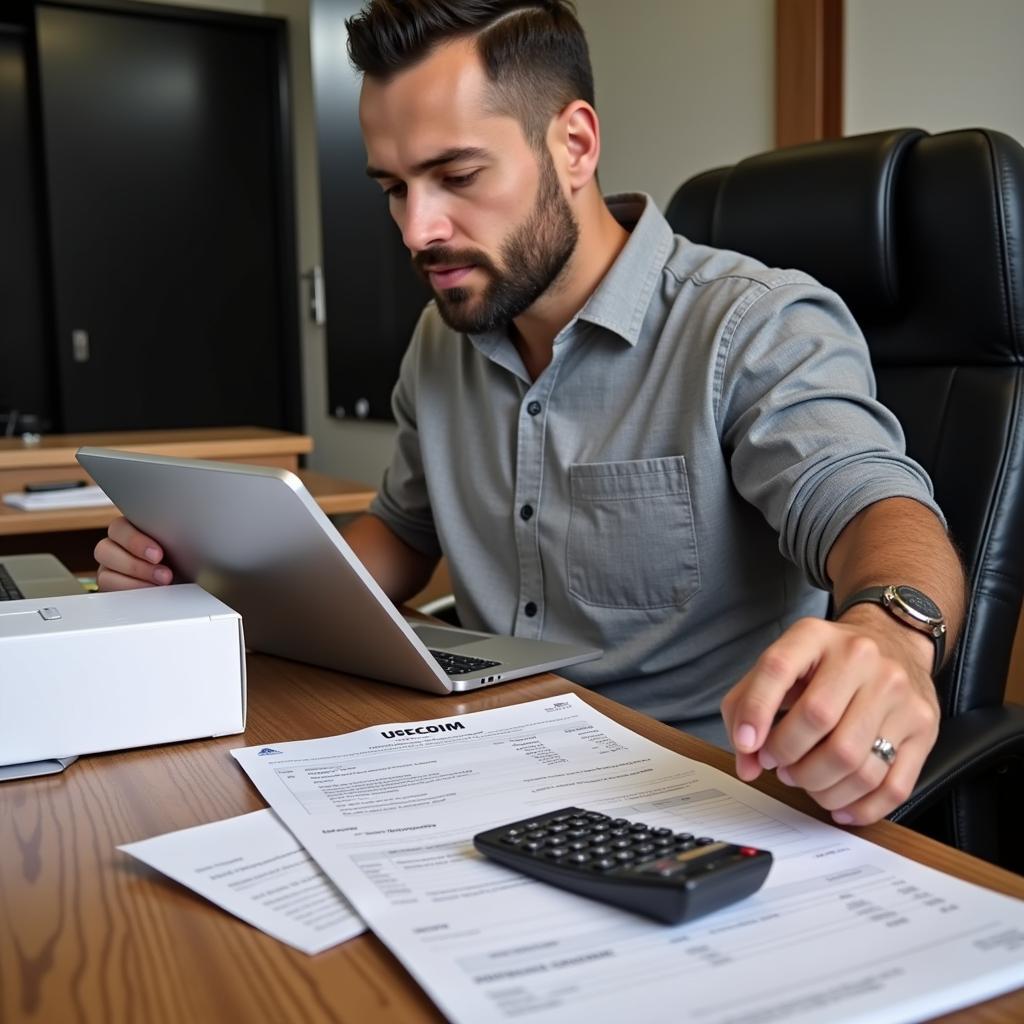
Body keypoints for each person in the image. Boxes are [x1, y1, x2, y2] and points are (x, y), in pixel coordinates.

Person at [95, 0, 964, 827]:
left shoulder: (750, 324)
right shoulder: (443, 343)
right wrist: (223, 585)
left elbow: (871, 503)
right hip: (478, 768)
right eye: (394, 188)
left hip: (691, 797)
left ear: (575, 144)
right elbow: (403, 533)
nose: (417, 229)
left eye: (457, 175)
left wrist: (891, 633)